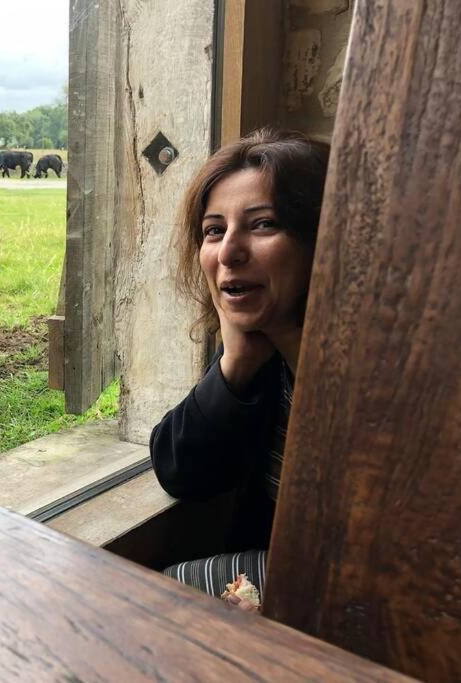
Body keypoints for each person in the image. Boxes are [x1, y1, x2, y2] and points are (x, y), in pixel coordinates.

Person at [150, 128, 330, 602]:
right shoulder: (261, 350)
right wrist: (234, 367)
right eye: (214, 230)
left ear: (325, 238)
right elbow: (179, 470)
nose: (229, 252)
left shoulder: (387, 372)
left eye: (263, 224)